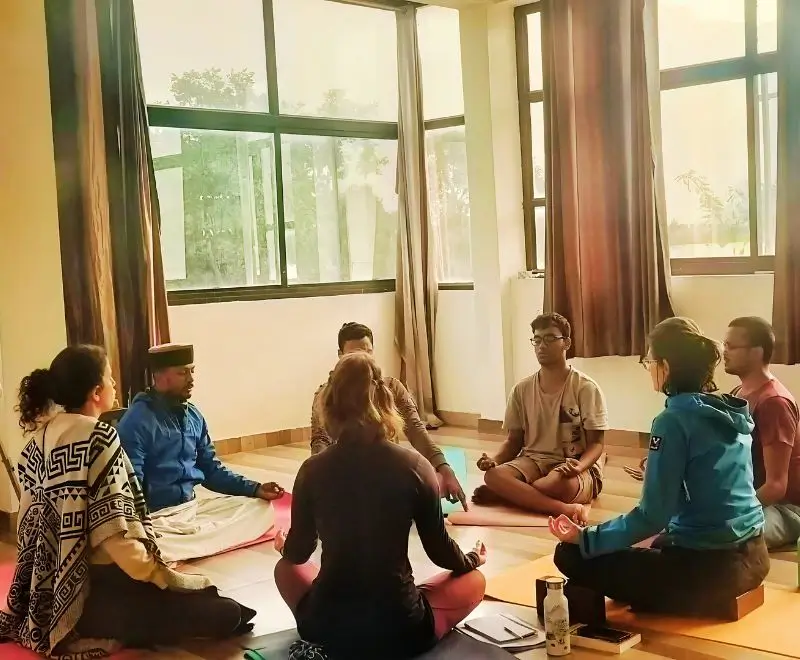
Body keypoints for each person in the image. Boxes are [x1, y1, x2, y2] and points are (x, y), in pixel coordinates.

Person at [0, 345, 255, 657]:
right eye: (110, 377)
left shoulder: (36, 442)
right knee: (224, 611)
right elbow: (118, 538)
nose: (115, 384)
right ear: (96, 392)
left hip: (47, 594)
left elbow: (30, 528)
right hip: (96, 594)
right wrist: (167, 577)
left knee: (215, 602)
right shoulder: (99, 438)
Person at [550, 317, 769, 616]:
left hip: (711, 572)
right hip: (756, 557)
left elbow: (653, 515)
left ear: (665, 367)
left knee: (569, 554)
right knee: (654, 542)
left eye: (649, 361)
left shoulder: (672, 421)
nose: (649, 368)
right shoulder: (727, 410)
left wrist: (585, 537)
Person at [275, 352, 486, 660]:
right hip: (401, 630)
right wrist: (472, 560)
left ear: (329, 403)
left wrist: (284, 548)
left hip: (324, 626)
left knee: (285, 569)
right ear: (384, 399)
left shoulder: (312, 469)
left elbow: (298, 553)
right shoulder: (415, 466)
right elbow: (441, 552)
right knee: (474, 582)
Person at [116, 343, 284, 562]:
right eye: (182, 372)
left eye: (192, 371)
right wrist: (138, 525)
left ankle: (177, 546)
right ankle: (162, 544)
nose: (191, 379)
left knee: (261, 508)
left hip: (191, 509)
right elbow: (130, 484)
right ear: (160, 376)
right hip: (157, 517)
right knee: (145, 540)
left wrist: (256, 489)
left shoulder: (194, 415)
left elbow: (211, 470)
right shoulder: (136, 420)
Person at [311, 322, 467, 511]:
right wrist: (320, 481)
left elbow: (417, 431)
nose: (364, 359)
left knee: (429, 480)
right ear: (340, 356)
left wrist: (445, 469)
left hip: (388, 472)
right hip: (348, 477)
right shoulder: (326, 394)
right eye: (355, 354)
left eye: (368, 352)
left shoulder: (392, 388)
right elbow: (320, 441)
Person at [473, 313, 608, 523]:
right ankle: (562, 509)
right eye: (537, 340)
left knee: (557, 484)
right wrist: (495, 460)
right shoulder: (521, 389)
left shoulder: (586, 388)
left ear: (566, 343)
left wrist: (579, 467)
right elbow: (513, 441)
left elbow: (597, 444)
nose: (541, 346)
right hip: (532, 462)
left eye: (550, 338)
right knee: (493, 476)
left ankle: (515, 494)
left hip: (570, 466)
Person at [723, 316, 800, 549]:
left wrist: (734, 512)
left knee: (721, 538)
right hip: (749, 496)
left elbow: (776, 486)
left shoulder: (774, 402)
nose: (724, 352)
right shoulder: (739, 391)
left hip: (785, 509)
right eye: (724, 345)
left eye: (731, 347)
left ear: (757, 352)